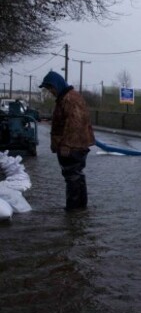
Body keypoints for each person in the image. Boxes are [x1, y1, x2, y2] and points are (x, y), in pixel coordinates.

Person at [39, 71, 95, 211]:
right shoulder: (68, 97)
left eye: (50, 88)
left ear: (56, 85)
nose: (50, 91)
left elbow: (74, 123)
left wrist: (66, 145)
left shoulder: (69, 98)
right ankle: (80, 208)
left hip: (72, 146)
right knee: (76, 175)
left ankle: (74, 209)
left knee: (72, 176)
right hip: (76, 145)